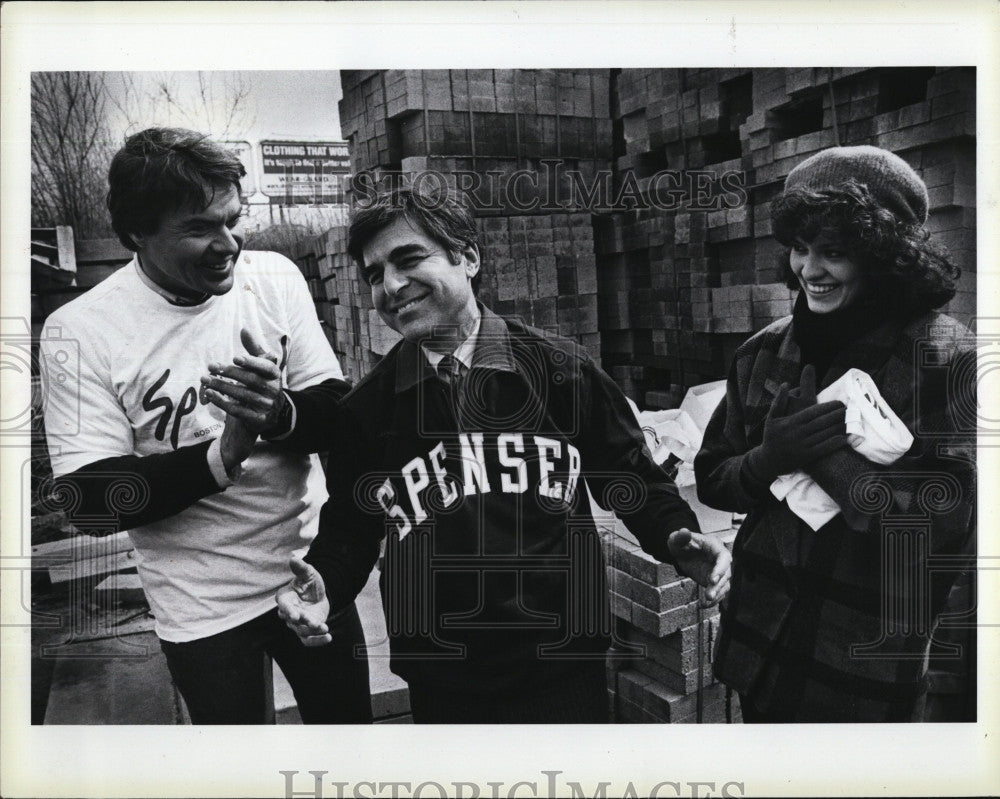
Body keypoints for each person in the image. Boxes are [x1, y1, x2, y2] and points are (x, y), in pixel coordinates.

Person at [202, 188, 732, 723]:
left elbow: (632, 480)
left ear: (469, 257)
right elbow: (351, 531)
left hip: (562, 664)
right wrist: (324, 586)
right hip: (444, 678)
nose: (390, 286)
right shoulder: (367, 411)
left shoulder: (560, 371)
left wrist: (678, 539)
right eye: (374, 274)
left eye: (408, 259)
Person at [39, 127, 371, 725]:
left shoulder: (273, 279)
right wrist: (222, 456)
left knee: (345, 745)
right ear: (137, 232)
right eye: (198, 228)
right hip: (203, 609)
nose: (228, 244)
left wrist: (279, 414)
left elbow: (339, 412)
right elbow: (90, 501)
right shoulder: (81, 329)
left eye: (232, 219)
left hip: (311, 573)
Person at [694, 145, 976, 722]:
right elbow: (712, 479)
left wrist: (833, 465)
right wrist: (769, 457)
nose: (809, 270)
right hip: (759, 650)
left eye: (835, 252)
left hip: (860, 668)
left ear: (887, 256)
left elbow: (945, 531)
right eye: (800, 248)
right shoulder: (764, 352)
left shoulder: (945, 360)